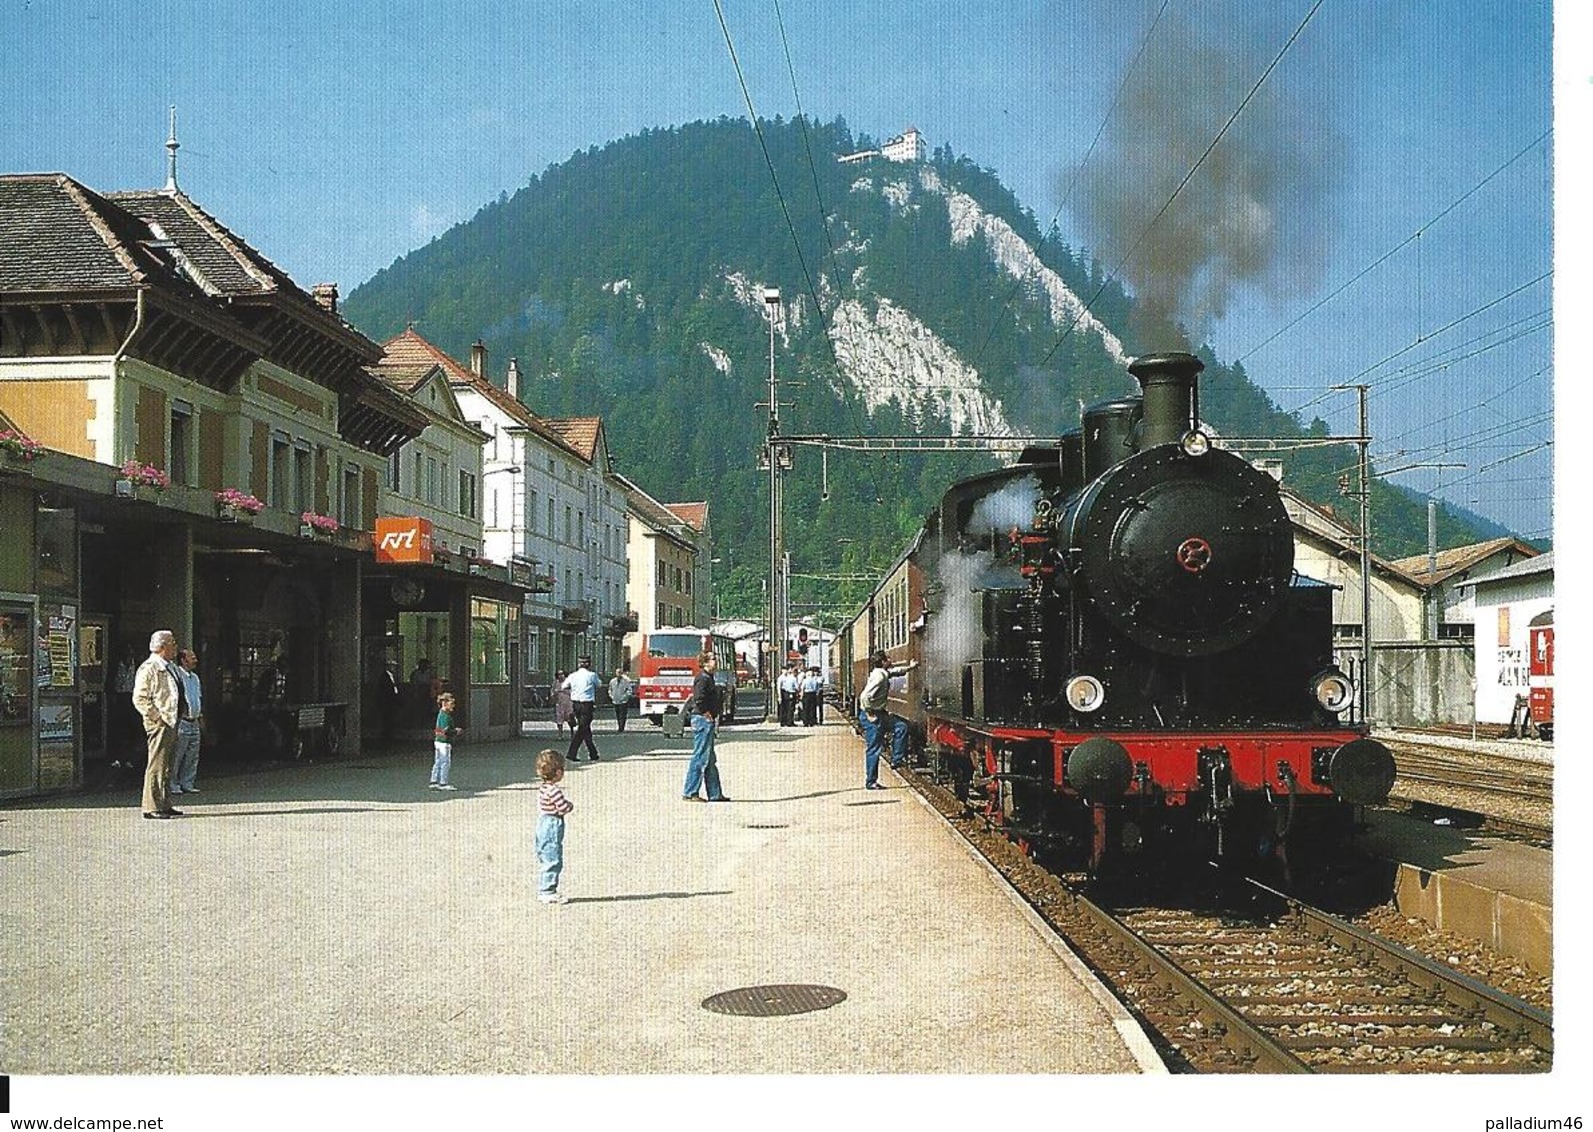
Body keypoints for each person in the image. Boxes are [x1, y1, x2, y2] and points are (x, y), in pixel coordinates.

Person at [131, 629, 184, 819]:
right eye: (172, 643)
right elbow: (140, 698)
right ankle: (152, 806)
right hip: (160, 722)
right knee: (157, 764)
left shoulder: (170, 667)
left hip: (171, 720)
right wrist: (156, 717)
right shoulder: (150, 667)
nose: (175, 647)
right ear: (162, 647)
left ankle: (164, 803)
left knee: (167, 764)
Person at [858, 650, 915, 790]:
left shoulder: (881, 672)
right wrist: (869, 712)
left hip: (880, 714)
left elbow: (895, 672)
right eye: (888, 658)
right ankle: (871, 781)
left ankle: (896, 760)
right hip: (873, 716)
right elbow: (864, 697)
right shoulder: (879, 677)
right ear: (883, 662)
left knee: (901, 726)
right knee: (874, 748)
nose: (890, 659)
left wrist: (910, 667)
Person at [681, 650, 729, 802]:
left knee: (710, 759)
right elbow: (699, 699)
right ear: (705, 662)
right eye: (713, 659)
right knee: (700, 757)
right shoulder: (702, 678)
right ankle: (690, 792)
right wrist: (708, 714)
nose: (716, 661)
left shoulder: (709, 677)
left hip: (706, 720)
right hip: (702, 720)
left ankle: (715, 793)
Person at [535, 749, 574, 905]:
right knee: (553, 856)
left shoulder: (543, 788)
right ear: (558, 773)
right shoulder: (555, 791)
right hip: (553, 821)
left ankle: (546, 887)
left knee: (545, 852)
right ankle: (548, 890)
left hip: (543, 820)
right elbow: (562, 807)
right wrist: (570, 806)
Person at [171, 647, 204, 795]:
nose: (195, 660)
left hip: (194, 720)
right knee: (178, 754)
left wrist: (201, 717)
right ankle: (173, 783)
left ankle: (187, 782)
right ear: (183, 660)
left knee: (192, 755)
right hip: (182, 721)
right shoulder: (177, 676)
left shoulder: (195, 678)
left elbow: (198, 698)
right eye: (192, 657)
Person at [562, 657, 600, 763]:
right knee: (582, 729)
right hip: (587, 704)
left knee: (585, 728)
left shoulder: (572, 676)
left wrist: (574, 689)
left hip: (576, 704)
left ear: (579, 664)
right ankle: (571, 753)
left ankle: (593, 753)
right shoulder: (592, 675)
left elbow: (564, 686)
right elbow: (599, 684)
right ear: (589, 664)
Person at [429, 692, 460, 791]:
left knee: (437, 761)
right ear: (444, 703)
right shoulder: (446, 717)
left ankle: (433, 781)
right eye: (451, 703)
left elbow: (439, 730)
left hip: (437, 741)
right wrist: (456, 731)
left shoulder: (440, 714)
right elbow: (446, 731)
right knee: (445, 762)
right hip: (444, 742)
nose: (453, 706)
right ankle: (443, 783)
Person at [608, 666, 636, 732]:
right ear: (615, 673)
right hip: (615, 701)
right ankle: (619, 725)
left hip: (623, 701)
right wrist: (611, 696)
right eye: (617, 672)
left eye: (620, 672)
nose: (619, 674)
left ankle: (621, 727)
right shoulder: (612, 681)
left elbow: (629, 690)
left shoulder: (626, 681)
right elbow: (610, 689)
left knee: (622, 715)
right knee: (617, 715)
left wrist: (625, 697)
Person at [552, 670, 572, 735]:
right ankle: (560, 733)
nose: (560, 676)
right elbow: (552, 691)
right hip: (559, 703)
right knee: (559, 718)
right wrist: (554, 695)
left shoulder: (568, 682)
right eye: (559, 674)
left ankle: (572, 732)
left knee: (569, 717)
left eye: (562, 674)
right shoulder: (555, 683)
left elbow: (573, 691)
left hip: (568, 703)